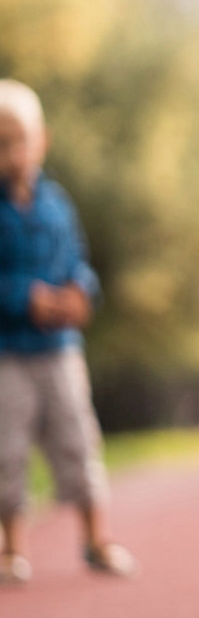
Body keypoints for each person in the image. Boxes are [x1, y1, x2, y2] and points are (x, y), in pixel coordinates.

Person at [0, 80, 136, 584]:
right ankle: (12, 547)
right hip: (9, 353)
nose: (13, 153)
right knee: (6, 449)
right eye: (1, 144)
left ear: (42, 141)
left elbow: (77, 259)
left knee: (79, 438)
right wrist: (25, 297)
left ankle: (96, 537)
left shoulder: (58, 205)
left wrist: (81, 291)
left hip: (59, 350)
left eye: (20, 140)